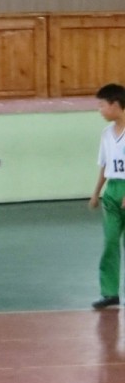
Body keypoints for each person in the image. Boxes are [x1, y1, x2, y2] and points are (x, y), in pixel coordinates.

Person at [89, 83, 125, 309]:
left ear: (114, 104)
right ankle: (110, 292)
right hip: (113, 191)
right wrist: (96, 193)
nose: (100, 110)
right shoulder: (106, 134)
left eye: (102, 105)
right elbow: (104, 164)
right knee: (110, 242)